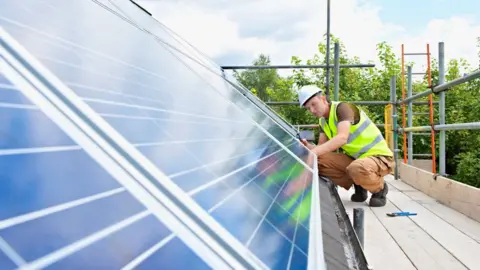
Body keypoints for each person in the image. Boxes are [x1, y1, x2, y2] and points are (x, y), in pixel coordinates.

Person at [285, 85, 394, 207]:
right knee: (318, 161)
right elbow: (321, 147)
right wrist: (308, 147)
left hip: (379, 157)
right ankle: (359, 185)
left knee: (357, 168)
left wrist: (314, 152)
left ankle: (379, 189)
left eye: (313, 104)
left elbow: (342, 138)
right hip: (356, 159)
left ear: (322, 99)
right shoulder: (323, 121)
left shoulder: (342, 108)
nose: (312, 110)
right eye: (308, 108)